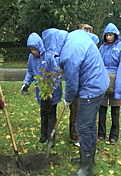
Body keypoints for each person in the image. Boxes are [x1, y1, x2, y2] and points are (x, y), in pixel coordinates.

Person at [42, 28, 109, 176]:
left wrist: (68, 99)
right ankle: (88, 159)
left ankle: (85, 170)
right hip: (100, 82)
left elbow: (72, 82)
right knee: (89, 124)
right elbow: (95, 38)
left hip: (91, 88)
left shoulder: (69, 54)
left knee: (82, 126)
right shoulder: (76, 34)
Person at [20, 32, 62, 145]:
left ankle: (51, 137)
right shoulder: (31, 58)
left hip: (51, 91)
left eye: (34, 49)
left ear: (39, 46)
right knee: (43, 112)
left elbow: (56, 73)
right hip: (41, 91)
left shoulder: (49, 56)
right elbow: (30, 72)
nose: (33, 52)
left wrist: (51, 88)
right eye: (31, 49)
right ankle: (43, 134)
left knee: (51, 113)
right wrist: (26, 83)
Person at [69, 24, 99, 147]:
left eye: (88, 31)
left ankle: (89, 140)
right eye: (84, 31)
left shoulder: (93, 48)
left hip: (89, 87)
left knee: (88, 115)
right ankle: (75, 136)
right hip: (77, 86)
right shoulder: (76, 47)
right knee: (75, 111)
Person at [98, 22, 121, 145]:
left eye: (111, 35)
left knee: (115, 110)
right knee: (101, 109)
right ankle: (101, 134)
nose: (108, 37)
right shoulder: (102, 47)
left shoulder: (120, 47)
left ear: (115, 35)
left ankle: (114, 136)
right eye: (107, 35)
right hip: (103, 81)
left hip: (116, 81)